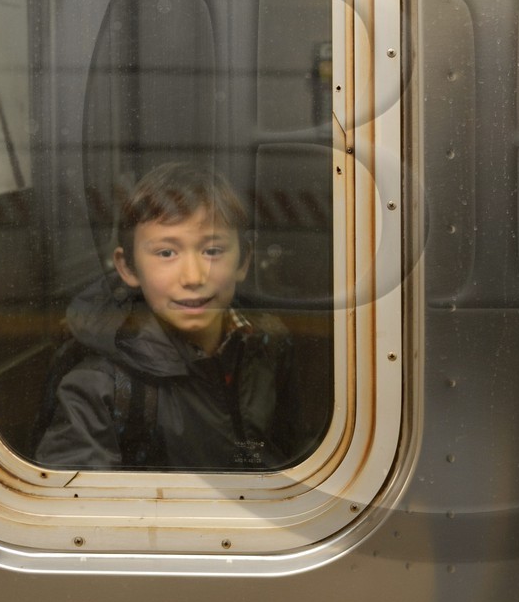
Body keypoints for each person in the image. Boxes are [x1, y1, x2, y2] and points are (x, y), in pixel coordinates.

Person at [35, 164, 316, 471]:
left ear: (243, 260)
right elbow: (76, 494)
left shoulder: (267, 343)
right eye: (166, 253)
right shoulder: (100, 383)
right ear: (128, 268)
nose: (193, 277)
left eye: (212, 251)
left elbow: (291, 459)